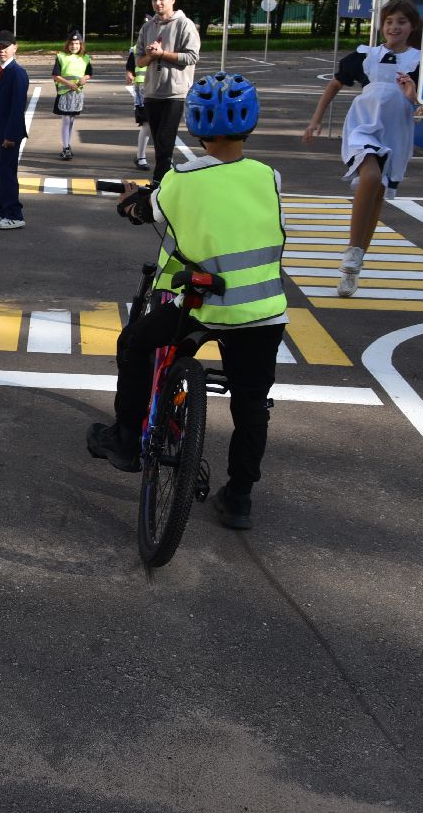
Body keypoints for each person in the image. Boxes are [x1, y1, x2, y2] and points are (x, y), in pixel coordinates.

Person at [86, 72, 287, 530]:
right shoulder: (268, 177)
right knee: (251, 407)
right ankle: (238, 499)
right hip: (263, 313)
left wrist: (133, 202)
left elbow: (147, 210)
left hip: (200, 307)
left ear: (195, 125)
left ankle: (126, 439)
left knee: (135, 343)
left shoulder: (182, 179)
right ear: (250, 125)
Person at [302, 0, 423, 297]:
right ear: (381, 25)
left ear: (412, 27)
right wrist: (315, 121)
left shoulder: (421, 61)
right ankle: (351, 254)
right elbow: (334, 85)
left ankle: (353, 266)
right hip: (362, 124)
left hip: (396, 130)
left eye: (401, 22)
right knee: (370, 177)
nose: (394, 27)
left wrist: (413, 97)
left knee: (378, 194)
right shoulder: (366, 55)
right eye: (388, 21)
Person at [135, 0, 201, 180]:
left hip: (175, 92)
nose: (158, 3)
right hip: (152, 92)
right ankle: (166, 175)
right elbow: (139, 61)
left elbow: (191, 57)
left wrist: (162, 53)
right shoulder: (147, 27)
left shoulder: (184, 24)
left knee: (165, 140)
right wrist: (150, 56)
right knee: (159, 142)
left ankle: (159, 181)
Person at [0, 30, 30, 229]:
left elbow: (18, 107)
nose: (1, 51)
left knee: (7, 173)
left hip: (9, 133)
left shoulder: (17, 73)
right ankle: (2, 211)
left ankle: (15, 215)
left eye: (5, 47)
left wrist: (10, 135)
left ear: (15, 47)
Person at [51, 30, 93, 161]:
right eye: (71, 44)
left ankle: (68, 144)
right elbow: (55, 75)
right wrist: (68, 84)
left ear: (81, 45)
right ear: (67, 44)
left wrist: (84, 78)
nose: (74, 46)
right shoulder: (61, 56)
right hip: (64, 93)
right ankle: (65, 147)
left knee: (72, 120)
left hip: (77, 93)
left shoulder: (85, 57)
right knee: (66, 120)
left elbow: (89, 72)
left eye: (76, 44)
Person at [126, 39, 151, 170]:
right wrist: (129, 75)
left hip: (163, 89)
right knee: (147, 125)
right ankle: (141, 156)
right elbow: (130, 66)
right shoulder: (136, 48)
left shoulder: (169, 44)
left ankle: (166, 158)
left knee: (162, 127)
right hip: (143, 90)